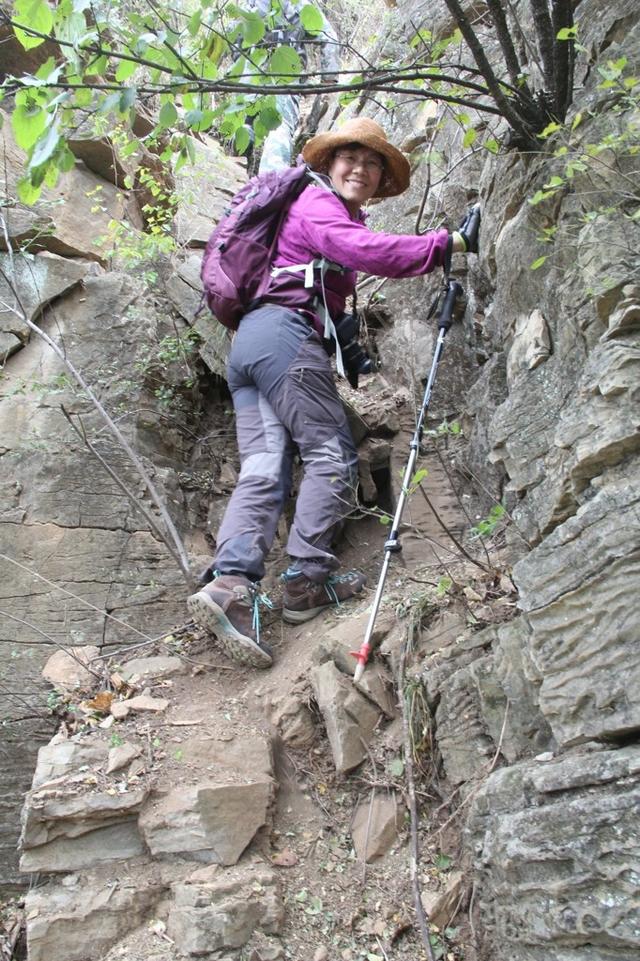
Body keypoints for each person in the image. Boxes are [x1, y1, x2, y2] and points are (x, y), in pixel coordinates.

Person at [188, 117, 478, 669]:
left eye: (373, 164)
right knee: (329, 454)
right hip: (282, 336)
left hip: (250, 344)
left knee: (262, 469)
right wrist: (447, 244)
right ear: (327, 163)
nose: (362, 169)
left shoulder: (307, 208)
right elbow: (363, 250)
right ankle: (304, 581)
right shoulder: (318, 204)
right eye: (351, 158)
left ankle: (229, 588)